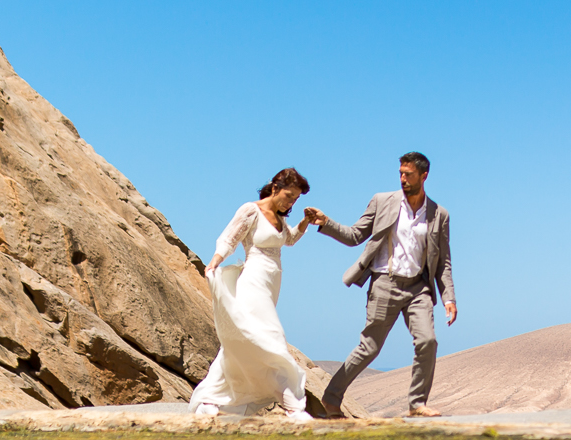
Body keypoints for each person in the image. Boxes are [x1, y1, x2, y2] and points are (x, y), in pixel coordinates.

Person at [307, 152, 457, 418]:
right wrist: (326, 223)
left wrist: (449, 297)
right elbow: (355, 236)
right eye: (400, 173)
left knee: (428, 341)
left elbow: (443, 261)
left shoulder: (439, 214)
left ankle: (417, 404)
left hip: (418, 288)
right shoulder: (383, 201)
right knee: (369, 348)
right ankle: (331, 398)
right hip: (384, 283)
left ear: (424, 176)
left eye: (408, 174)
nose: (403, 179)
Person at [190, 168, 317, 419]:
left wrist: (304, 222)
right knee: (270, 335)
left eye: (295, 199)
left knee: (245, 338)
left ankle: (210, 399)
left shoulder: (280, 217)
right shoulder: (251, 210)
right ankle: (292, 403)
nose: (291, 202)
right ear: (274, 188)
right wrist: (214, 262)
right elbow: (229, 238)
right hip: (253, 279)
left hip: (272, 282)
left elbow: (288, 240)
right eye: (289, 196)